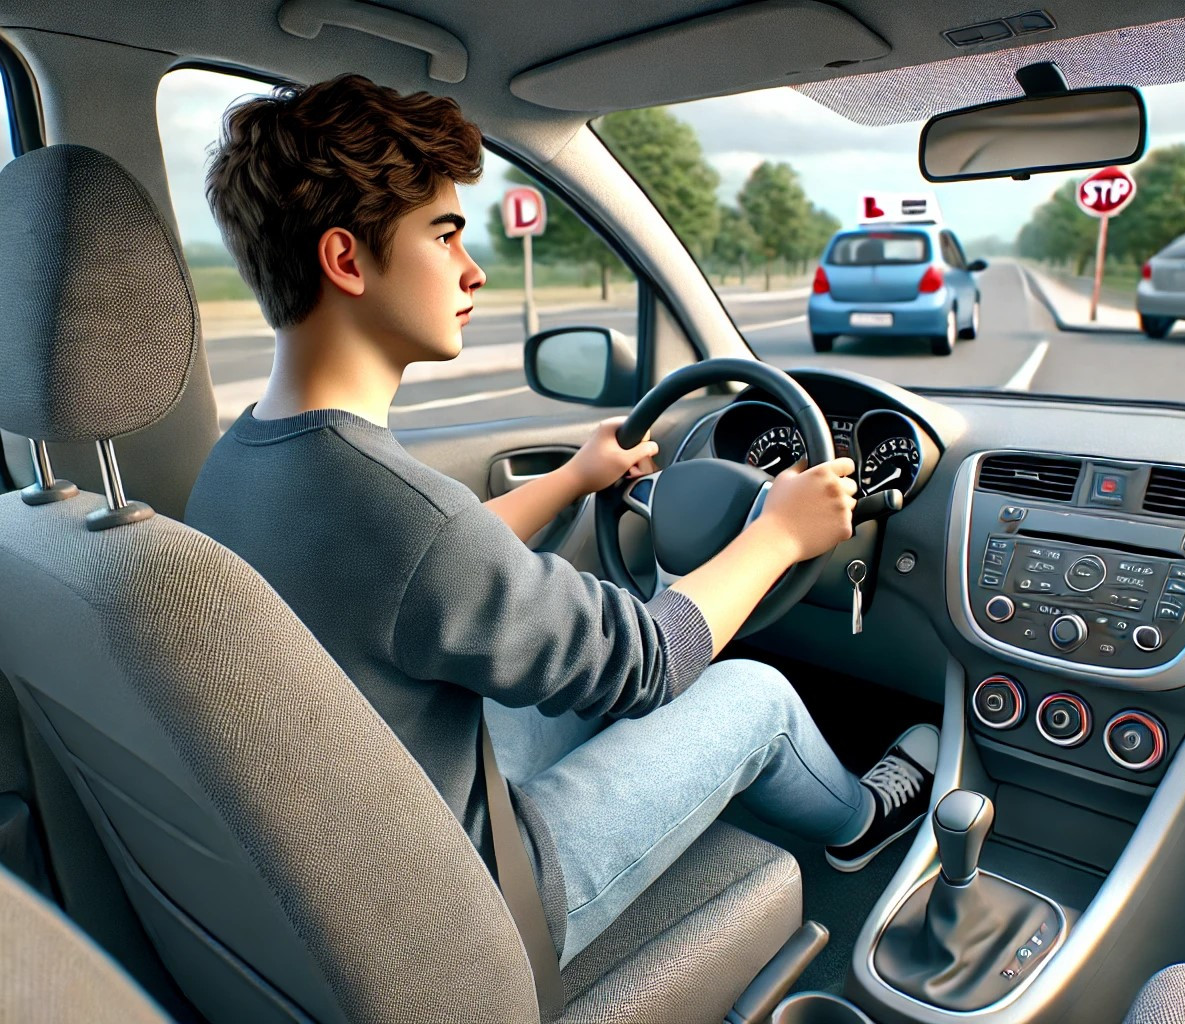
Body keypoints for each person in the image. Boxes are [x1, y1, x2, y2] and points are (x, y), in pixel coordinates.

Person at [184, 73, 936, 967]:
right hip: (481, 911)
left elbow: (432, 566)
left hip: (373, 845)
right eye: (445, 235)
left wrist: (579, 478)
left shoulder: (249, 463)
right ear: (347, 262)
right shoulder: (395, 508)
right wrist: (779, 534)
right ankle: (862, 821)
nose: (473, 270)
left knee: (575, 656)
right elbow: (651, 663)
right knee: (754, 695)